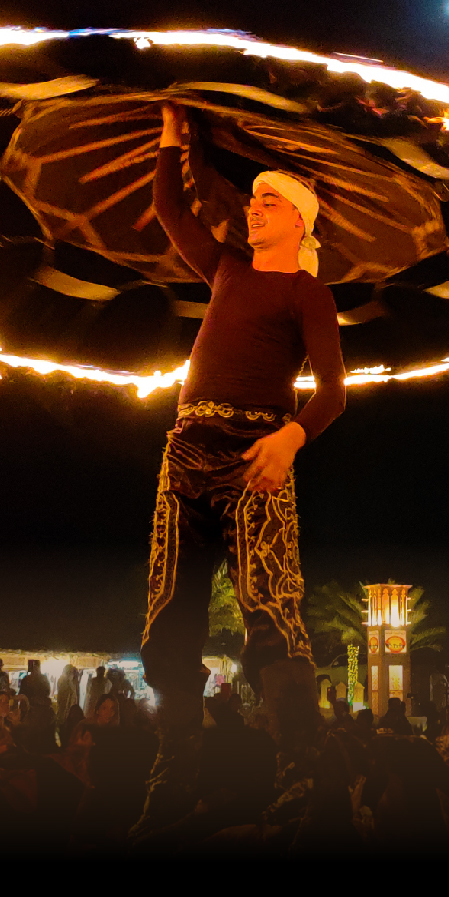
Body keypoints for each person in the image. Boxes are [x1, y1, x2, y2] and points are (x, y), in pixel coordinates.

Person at [133, 103, 347, 829]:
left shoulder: (303, 291)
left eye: (269, 201)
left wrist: (291, 437)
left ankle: (301, 783)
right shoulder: (224, 269)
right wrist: (172, 135)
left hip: (256, 457)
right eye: (251, 199)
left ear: (299, 221)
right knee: (167, 621)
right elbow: (167, 205)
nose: (254, 210)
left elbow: (334, 392)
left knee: (271, 619)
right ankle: (171, 778)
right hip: (185, 453)